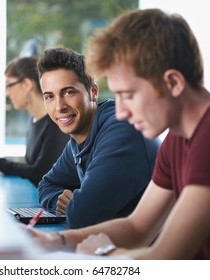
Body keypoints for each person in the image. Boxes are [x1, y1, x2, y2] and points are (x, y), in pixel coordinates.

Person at [28, 9, 210, 259]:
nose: (121, 110)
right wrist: (54, 241)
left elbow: (167, 256)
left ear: (173, 82)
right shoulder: (177, 139)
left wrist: (102, 252)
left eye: (128, 95)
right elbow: (137, 227)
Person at [36, 47, 160, 229]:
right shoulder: (78, 140)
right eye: (49, 97)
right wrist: (58, 200)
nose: (59, 106)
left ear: (93, 91)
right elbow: (47, 183)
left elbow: (83, 215)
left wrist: (74, 204)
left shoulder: (122, 130)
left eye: (68, 92)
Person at [0, 57, 69, 187]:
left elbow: (41, 172)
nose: (7, 92)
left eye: (9, 85)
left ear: (27, 84)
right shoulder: (34, 120)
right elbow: (32, 167)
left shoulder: (56, 124)